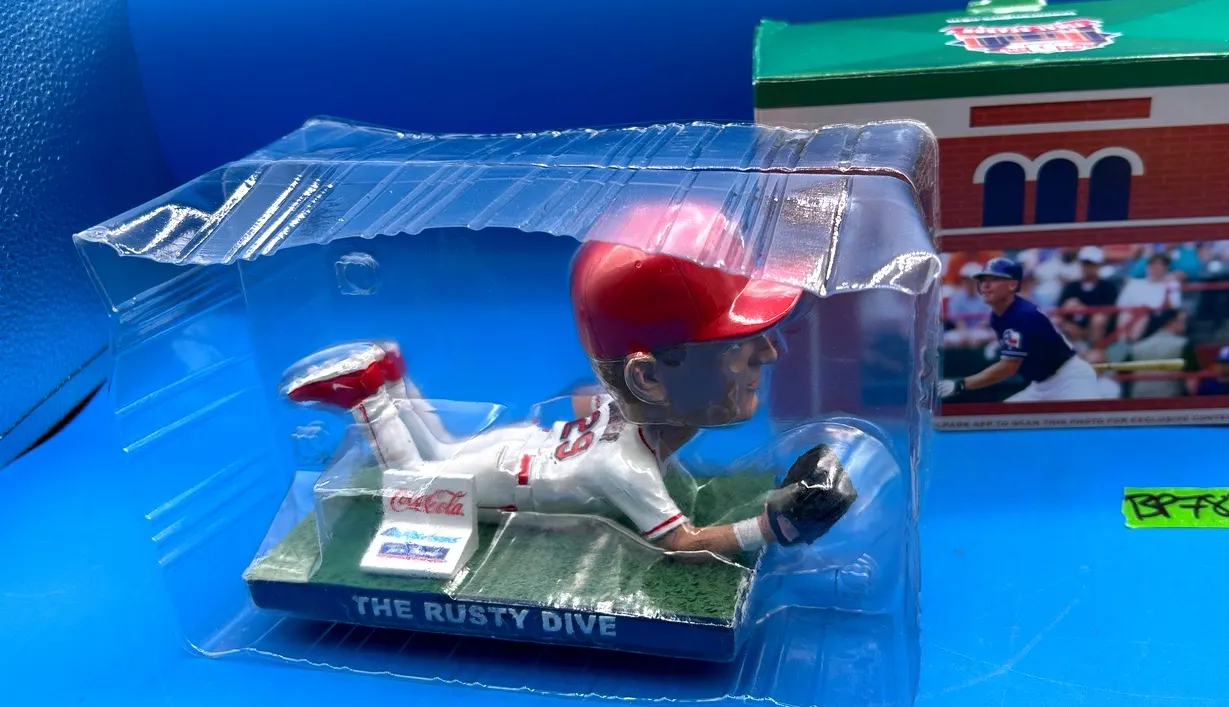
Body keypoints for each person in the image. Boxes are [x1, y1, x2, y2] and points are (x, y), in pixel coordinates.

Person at [281, 201, 855, 564]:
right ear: (648, 377)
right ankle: (369, 396)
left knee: (441, 453)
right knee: (410, 482)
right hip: (509, 480)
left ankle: (391, 378)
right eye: (735, 345)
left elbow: (589, 397)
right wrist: (773, 527)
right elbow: (682, 546)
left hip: (519, 451)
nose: (770, 352)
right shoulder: (624, 467)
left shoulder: (629, 413)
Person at [936, 257, 1101, 402]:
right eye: (983, 280)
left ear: (1013, 285)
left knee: (1084, 426)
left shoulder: (1022, 315)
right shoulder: (997, 316)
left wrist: (962, 384)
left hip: (1069, 378)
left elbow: (1009, 367)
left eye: (994, 279)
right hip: (1041, 385)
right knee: (1003, 422)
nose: (985, 285)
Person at [1056, 245, 1119, 345]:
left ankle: (1096, 347)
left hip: (1094, 329)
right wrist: (1066, 322)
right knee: (1057, 318)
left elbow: (1108, 312)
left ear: (1099, 265)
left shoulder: (1107, 287)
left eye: (1092, 264)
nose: (1088, 268)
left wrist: (1083, 310)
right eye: (1085, 264)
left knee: (1098, 319)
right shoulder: (1071, 286)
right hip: (1071, 327)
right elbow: (1059, 309)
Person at [1126, 309, 1196, 398]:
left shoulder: (1137, 347)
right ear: (1171, 322)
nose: (1185, 325)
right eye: (1183, 321)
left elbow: (1123, 373)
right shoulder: (1183, 344)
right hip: (1170, 397)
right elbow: (1191, 378)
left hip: (1139, 396)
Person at [1115, 251, 1183, 342]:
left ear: (1166, 268)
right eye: (1152, 265)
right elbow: (1121, 304)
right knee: (1124, 315)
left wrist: (1167, 286)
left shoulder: (1172, 284)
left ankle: (1131, 344)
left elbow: (1174, 306)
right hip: (1132, 312)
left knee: (1143, 317)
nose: (1155, 268)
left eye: (1159, 265)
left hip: (1156, 317)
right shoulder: (1134, 283)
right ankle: (1122, 343)